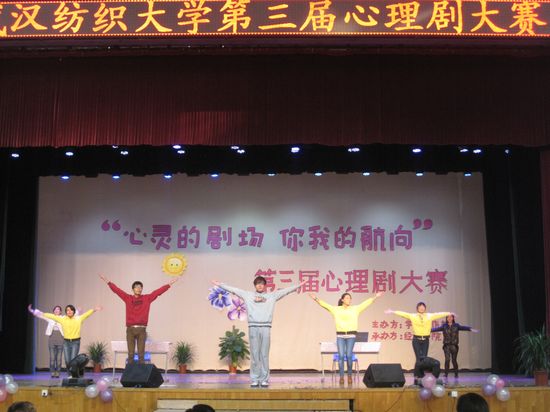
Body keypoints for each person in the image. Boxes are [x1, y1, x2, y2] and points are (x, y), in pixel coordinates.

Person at [211, 276, 306, 388]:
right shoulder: (248, 295)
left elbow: (285, 291)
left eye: (262, 283)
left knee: (264, 355)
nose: (260, 285)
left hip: (266, 327)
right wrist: (220, 284)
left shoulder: (272, 296)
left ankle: (264, 379)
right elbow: (234, 290)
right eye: (257, 283)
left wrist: (299, 285)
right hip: (253, 327)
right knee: (255, 354)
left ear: (265, 285)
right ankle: (255, 379)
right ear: (255, 285)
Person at [100, 274, 179, 364]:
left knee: (141, 355)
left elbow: (157, 292)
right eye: (137, 287)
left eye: (140, 287)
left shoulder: (147, 298)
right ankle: (130, 372)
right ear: (133, 289)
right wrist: (108, 281)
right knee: (130, 354)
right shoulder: (128, 298)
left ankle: (141, 372)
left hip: (142, 329)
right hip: (130, 329)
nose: (139, 289)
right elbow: (117, 291)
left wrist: (169, 284)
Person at [309, 291, 383, 385]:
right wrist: (315, 298)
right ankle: (341, 377)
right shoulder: (336, 309)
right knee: (340, 356)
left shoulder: (355, 309)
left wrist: (375, 297)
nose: (349, 300)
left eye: (350, 298)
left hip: (351, 336)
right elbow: (325, 305)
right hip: (340, 336)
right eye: (347, 298)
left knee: (348, 355)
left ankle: (349, 376)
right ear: (342, 300)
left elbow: (365, 303)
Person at [385, 302, 451, 379]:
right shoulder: (413, 316)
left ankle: (421, 375)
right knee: (418, 358)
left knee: (424, 359)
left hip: (425, 340)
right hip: (416, 340)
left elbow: (439, 314)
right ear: (417, 308)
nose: (422, 308)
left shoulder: (429, 316)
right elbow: (403, 314)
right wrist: (393, 311)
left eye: (423, 307)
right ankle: (417, 376)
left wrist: (449, 313)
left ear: (425, 308)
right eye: (420, 307)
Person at [28, 304, 101, 372]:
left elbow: (87, 314)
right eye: (67, 310)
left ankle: (72, 374)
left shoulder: (78, 318)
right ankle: (69, 374)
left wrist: (94, 309)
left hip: (75, 342)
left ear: (73, 312)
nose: (69, 311)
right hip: (66, 342)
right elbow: (48, 315)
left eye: (71, 310)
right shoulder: (63, 319)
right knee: (67, 360)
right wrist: (34, 311)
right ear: (66, 312)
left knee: (72, 359)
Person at [431, 314, 479, 378]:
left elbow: (463, 327)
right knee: (447, 360)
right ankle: (446, 374)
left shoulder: (456, 325)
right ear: (446, 318)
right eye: (448, 317)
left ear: (453, 318)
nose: (449, 318)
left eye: (451, 317)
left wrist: (470, 329)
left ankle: (456, 374)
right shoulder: (444, 326)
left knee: (454, 360)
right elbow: (435, 329)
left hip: (454, 346)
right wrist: (427, 330)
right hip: (446, 346)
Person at [27, 304, 65, 378]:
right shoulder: (50, 317)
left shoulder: (63, 318)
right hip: (52, 339)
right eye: (55, 309)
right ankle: (52, 372)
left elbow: (71, 316)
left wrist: (78, 312)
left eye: (58, 309)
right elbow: (41, 314)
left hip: (60, 339)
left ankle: (58, 372)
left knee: (59, 358)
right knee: (52, 358)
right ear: (53, 311)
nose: (56, 310)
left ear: (60, 311)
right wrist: (31, 310)